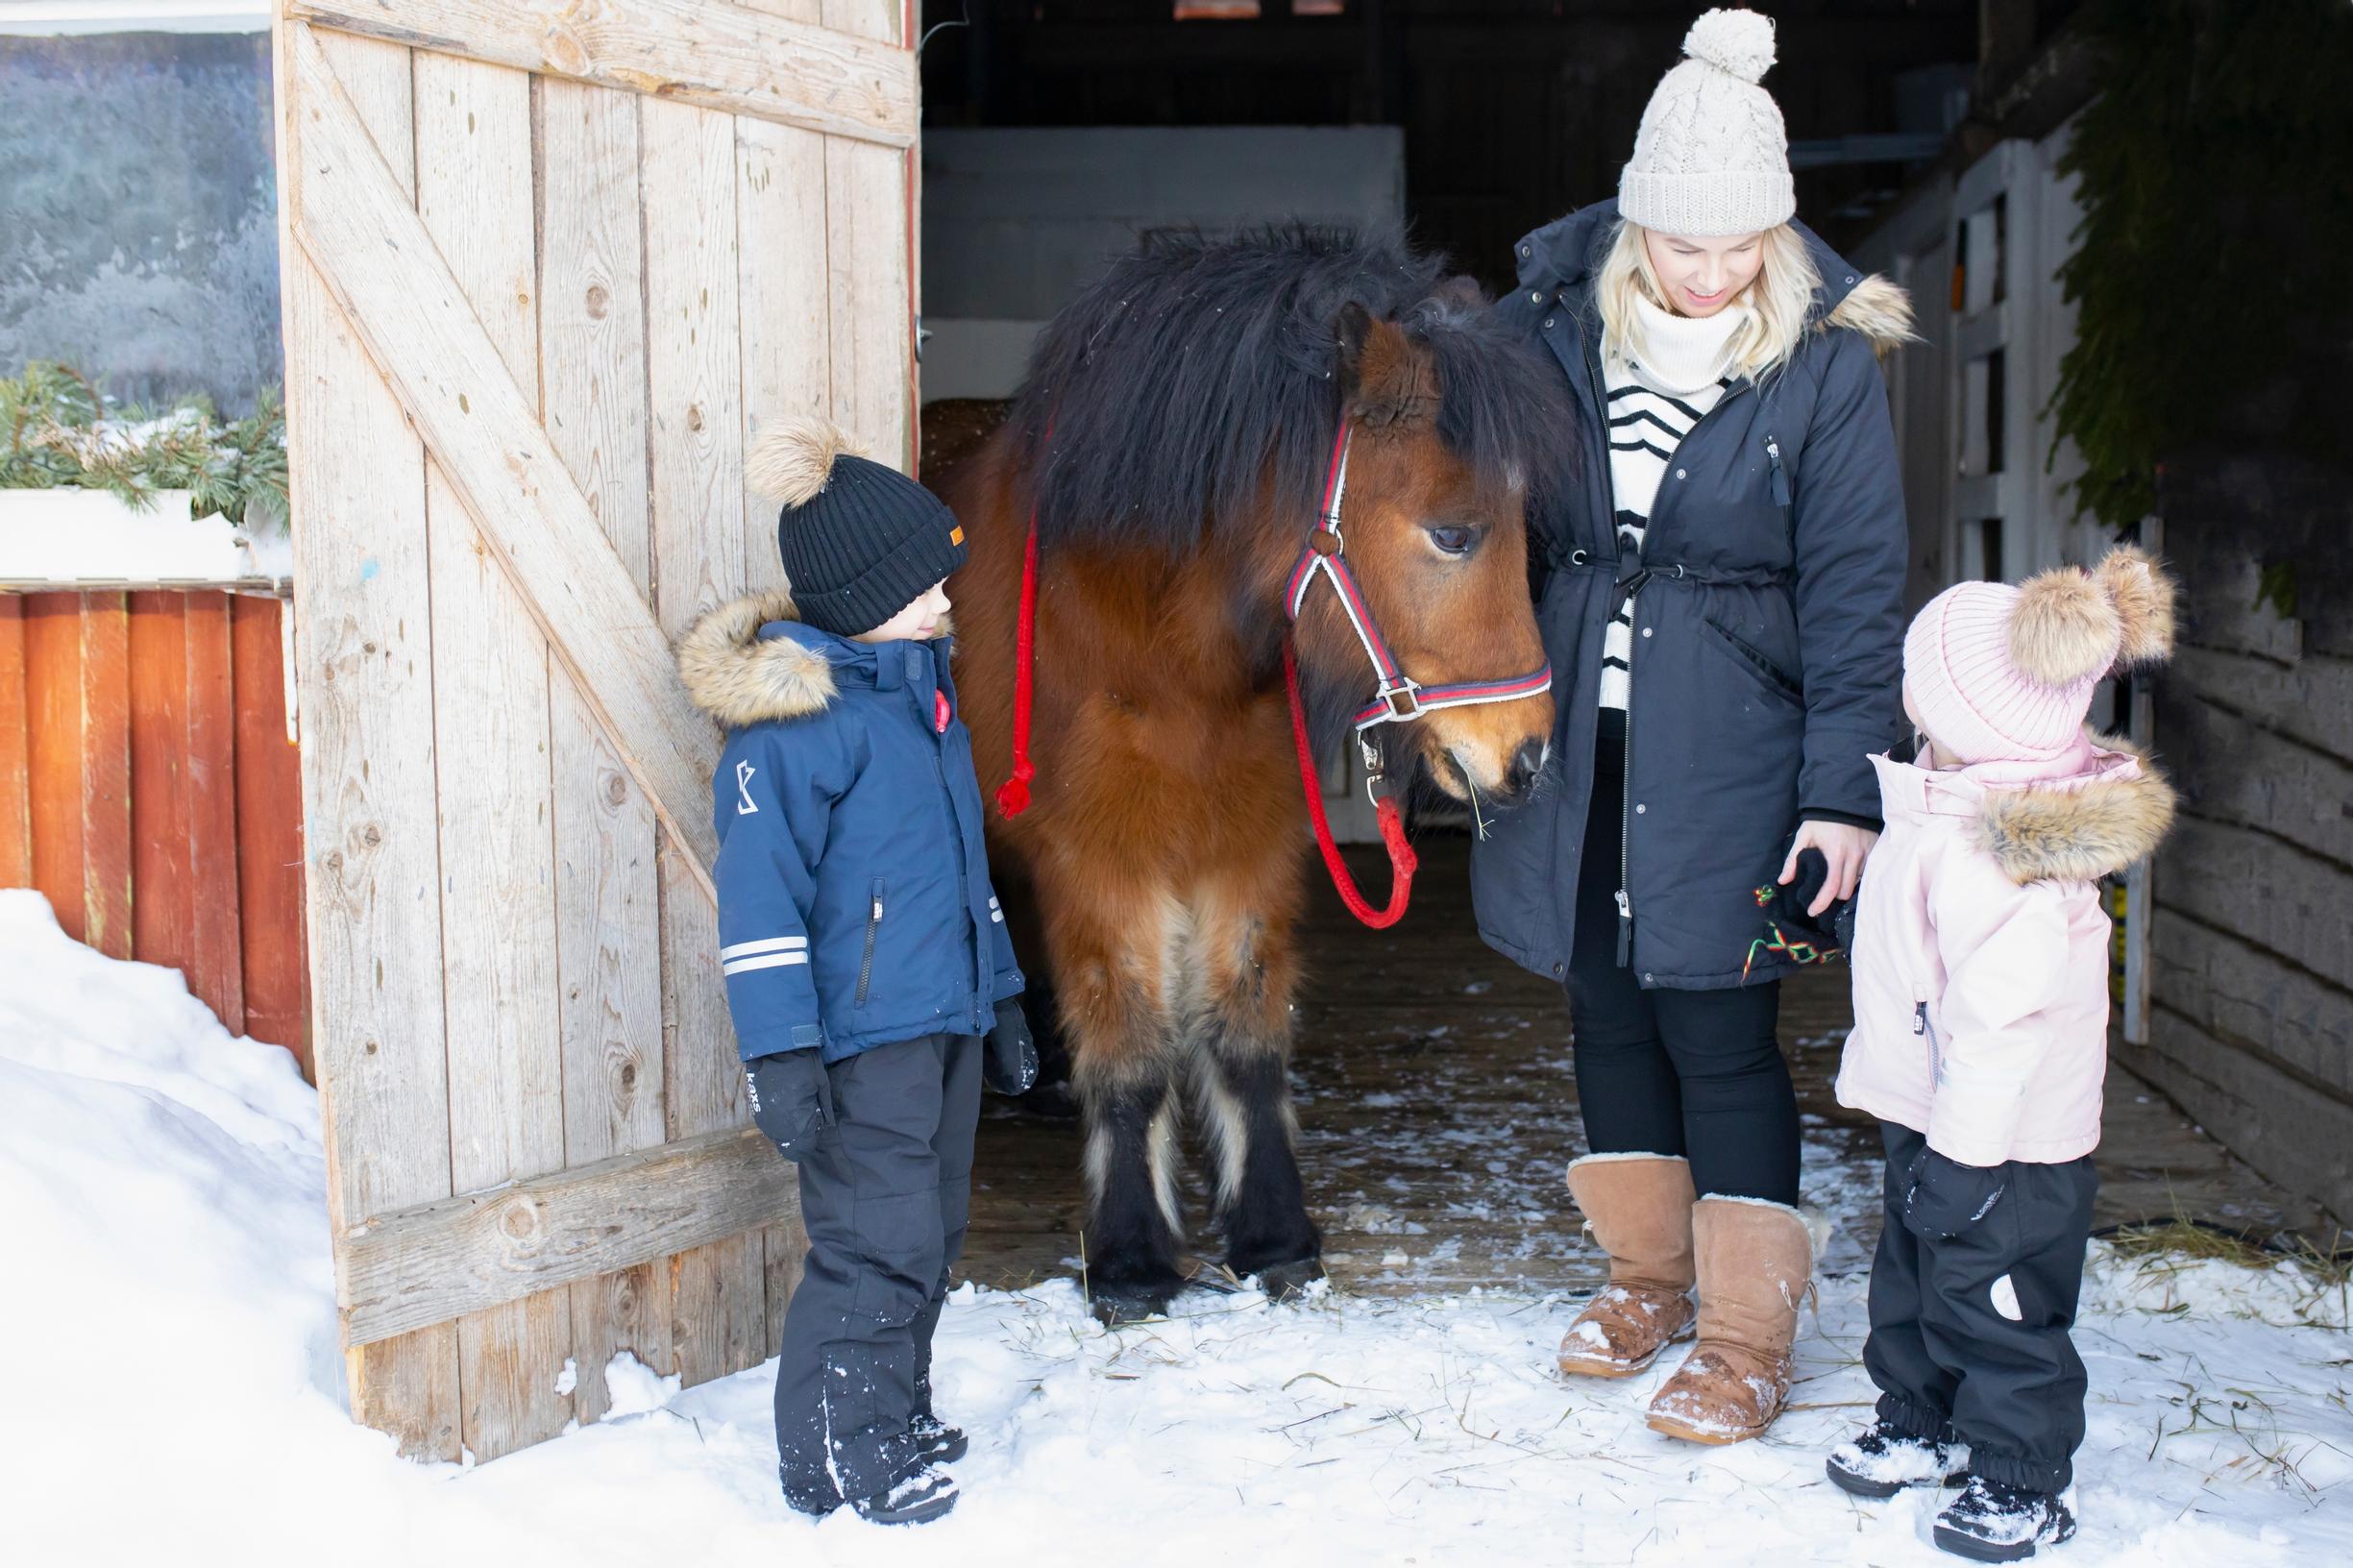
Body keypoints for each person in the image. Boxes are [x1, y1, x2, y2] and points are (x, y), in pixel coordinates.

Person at [1468, 7, 1914, 1444]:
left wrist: (1839, 798)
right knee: (1603, 1015)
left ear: (1775, 238)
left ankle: (1741, 1333)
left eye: (1738, 247)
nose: (1710, 273)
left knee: (1717, 1034)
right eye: (1682, 244)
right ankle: (1644, 1279)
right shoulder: (1544, 343)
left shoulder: (1824, 372)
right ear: (1635, 225)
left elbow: (1856, 597)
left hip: (1735, 761)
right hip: (1576, 759)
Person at [676, 418, 1035, 1527]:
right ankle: (844, 1451)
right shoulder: (794, 736)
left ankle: (895, 1412)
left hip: (943, 1020)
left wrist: (1006, 995)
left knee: (928, 1234)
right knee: (872, 1245)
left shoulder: (922, 707)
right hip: (859, 1044)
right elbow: (760, 914)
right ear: (864, 595)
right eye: (925, 585)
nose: (943, 600)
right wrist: (779, 1054)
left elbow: (968, 870)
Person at [1827, 547, 2176, 1561]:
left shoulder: (2005, 860)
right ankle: (1920, 1418)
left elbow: (1999, 1029)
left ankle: (2017, 1476)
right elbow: (1920, 949)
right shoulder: (1946, 803)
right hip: (1932, 1115)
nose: (1905, 697)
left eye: (1918, 684)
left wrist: (1968, 1161)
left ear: (1964, 715)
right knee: (1909, 1279)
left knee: (1997, 1304)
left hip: (2004, 1145)